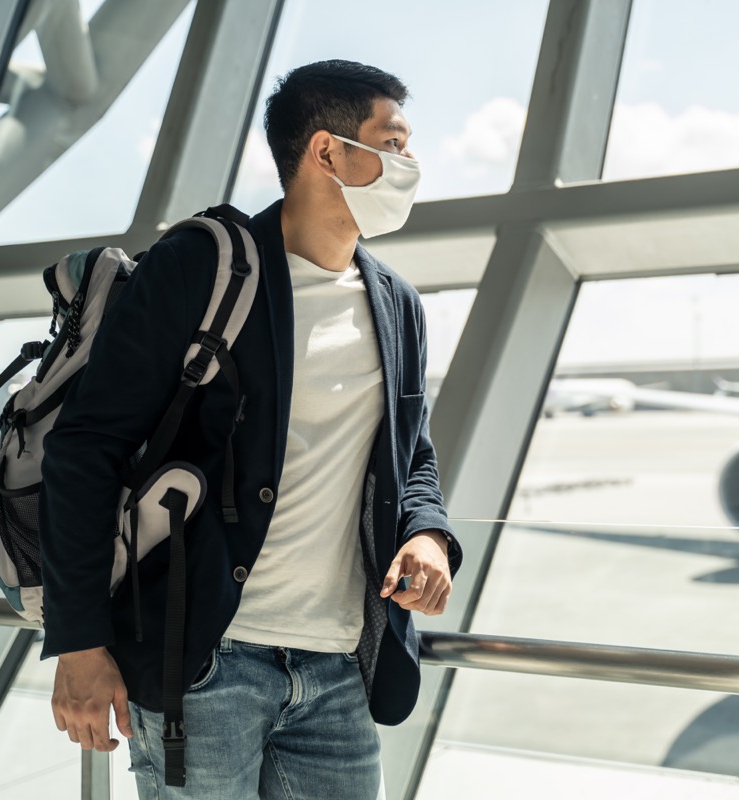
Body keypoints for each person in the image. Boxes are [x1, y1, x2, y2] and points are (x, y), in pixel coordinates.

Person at [39, 59, 461, 799]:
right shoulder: (202, 267)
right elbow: (86, 448)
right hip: (204, 660)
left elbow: (411, 453)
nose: (410, 164)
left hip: (338, 670)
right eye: (393, 142)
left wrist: (427, 533)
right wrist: (79, 641)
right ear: (326, 152)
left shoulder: (396, 302)